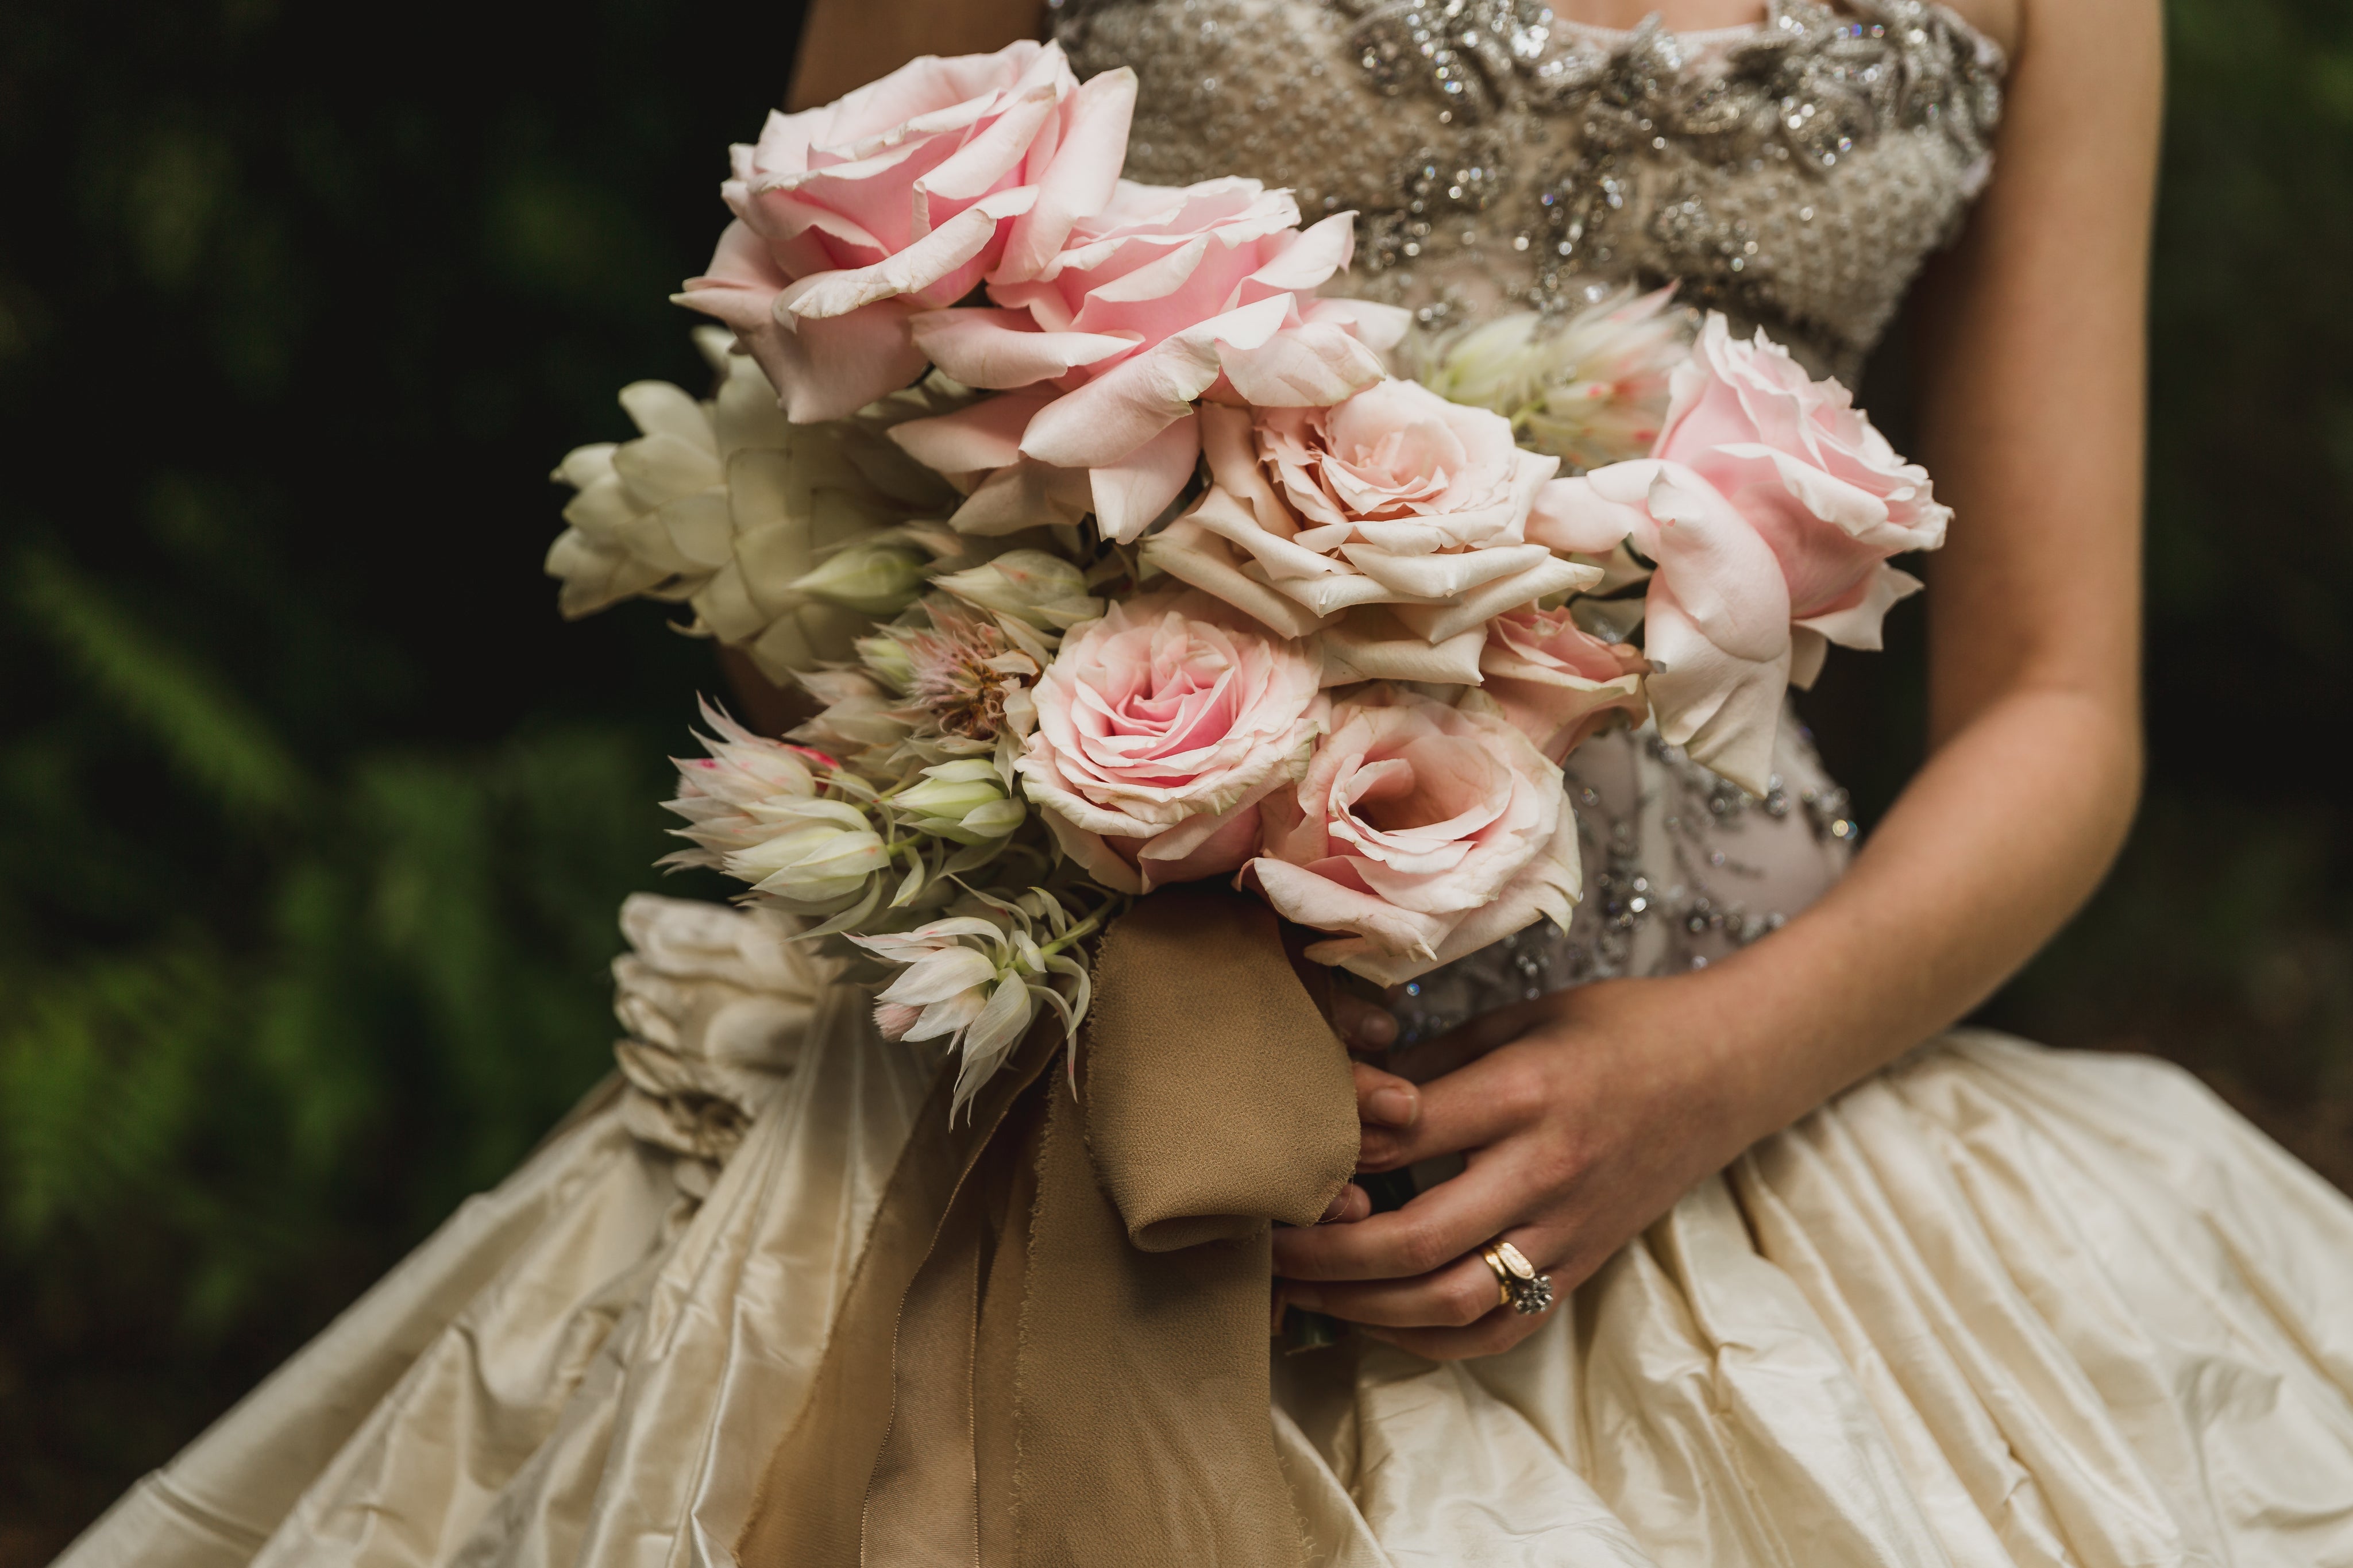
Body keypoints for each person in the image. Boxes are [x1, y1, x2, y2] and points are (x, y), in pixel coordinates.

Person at [58, 0, 2353, 1562]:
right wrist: (1099, 877)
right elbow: (790, 437)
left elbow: (2059, 690)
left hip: (1730, 1075)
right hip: (1033, 1068)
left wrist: (1706, 1066)